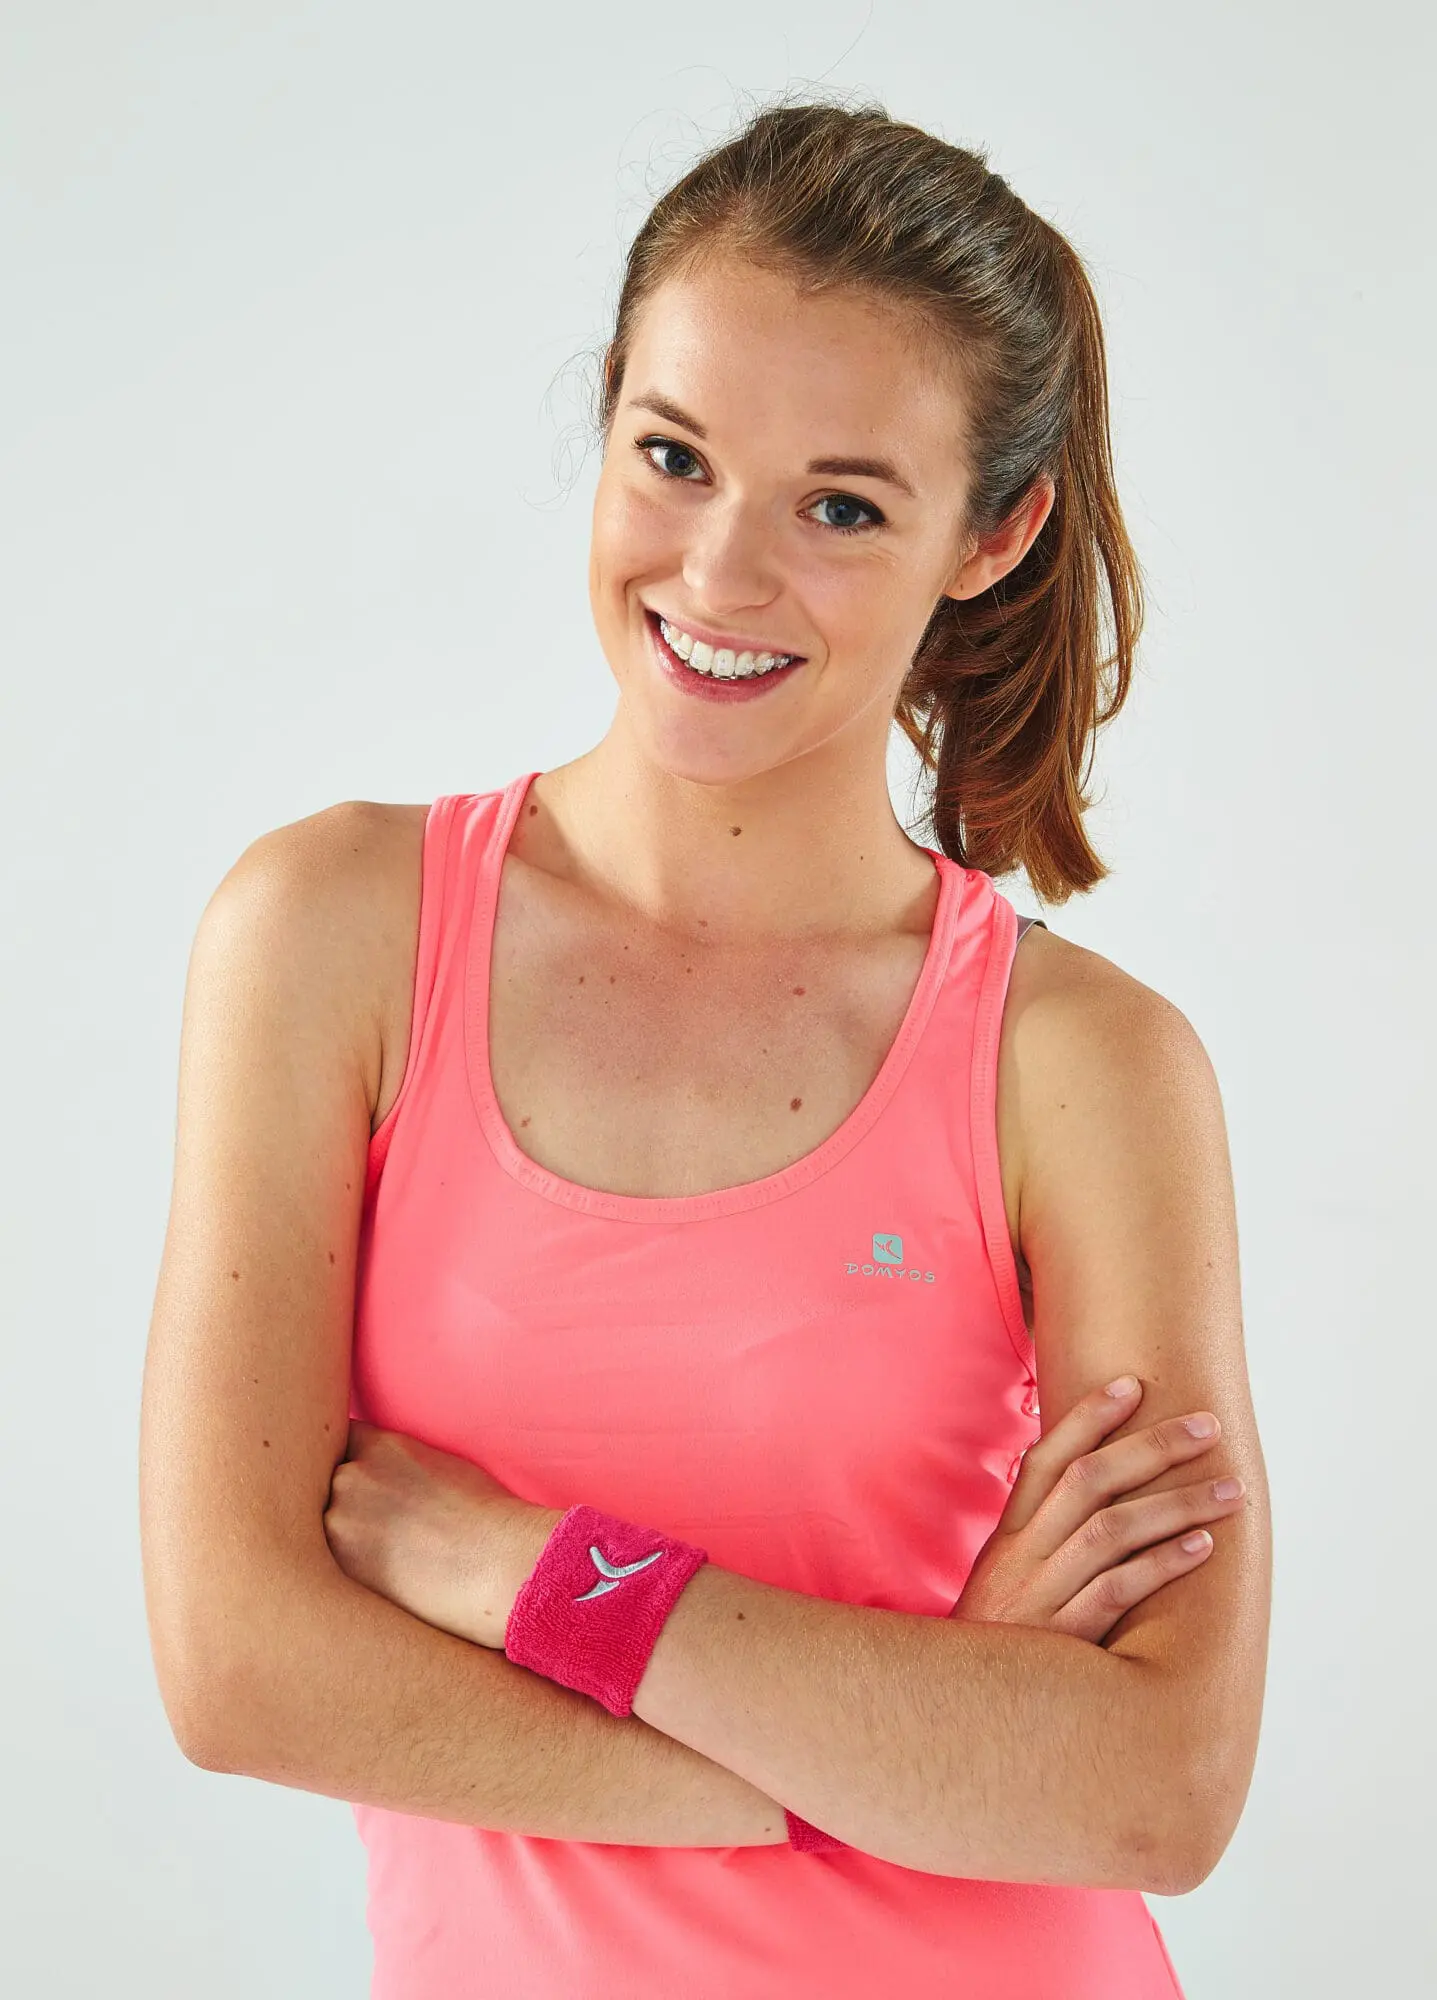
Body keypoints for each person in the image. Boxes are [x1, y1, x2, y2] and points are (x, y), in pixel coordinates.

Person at [139, 95, 1271, 1999]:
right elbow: (238, 1667)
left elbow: (1157, 1791)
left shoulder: (1085, 1067)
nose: (724, 574)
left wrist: (528, 1579)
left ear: (994, 536)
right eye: (673, 457)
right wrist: (902, 1754)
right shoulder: (331, 936)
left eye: (844, 506)